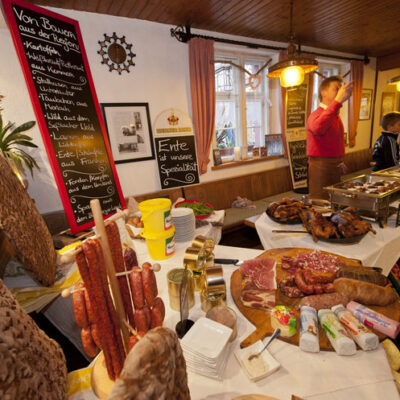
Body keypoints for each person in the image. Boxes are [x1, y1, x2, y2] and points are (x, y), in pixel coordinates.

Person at [306, 76, 353, 199]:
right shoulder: (316, 115)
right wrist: (337, 101)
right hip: (320, 166)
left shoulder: (334, 116)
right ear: (323, 93)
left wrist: (340, 161)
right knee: (321, 201)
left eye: (340, 89)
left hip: (335, 164)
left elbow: (335, 142)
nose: (340, 92)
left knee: (333, 199)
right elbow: (318, 128)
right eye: (336, 89)